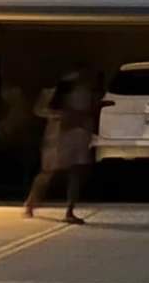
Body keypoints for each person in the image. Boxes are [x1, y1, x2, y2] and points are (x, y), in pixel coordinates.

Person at [24, 65, 100, 223]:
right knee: (48, 172)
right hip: (58, 135)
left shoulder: (85, 93)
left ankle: (70, 210)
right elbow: (39, 109)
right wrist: (59, 114)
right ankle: (31, 202)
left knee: (76, 172)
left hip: (79, 135)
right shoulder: (53, 93)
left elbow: (89, 111)